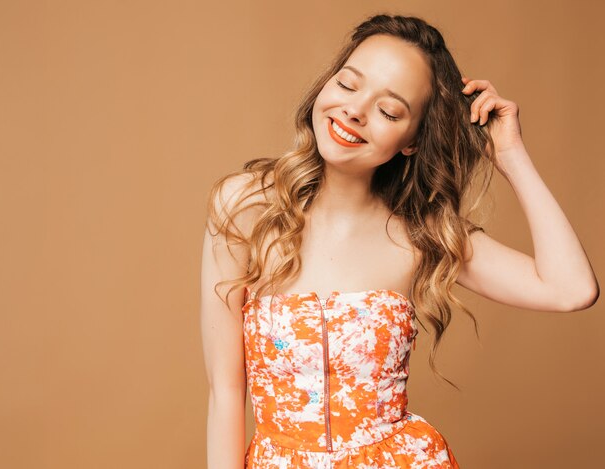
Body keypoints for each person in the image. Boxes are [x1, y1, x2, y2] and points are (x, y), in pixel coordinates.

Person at [200, 13, 599, 469]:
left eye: (389, 111)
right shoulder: (244, 206)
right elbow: (226, 390)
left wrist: (511, 155)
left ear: (411, 140)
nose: (354, 111)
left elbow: (572, 290)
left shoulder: (423, 233)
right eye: (348, 85)